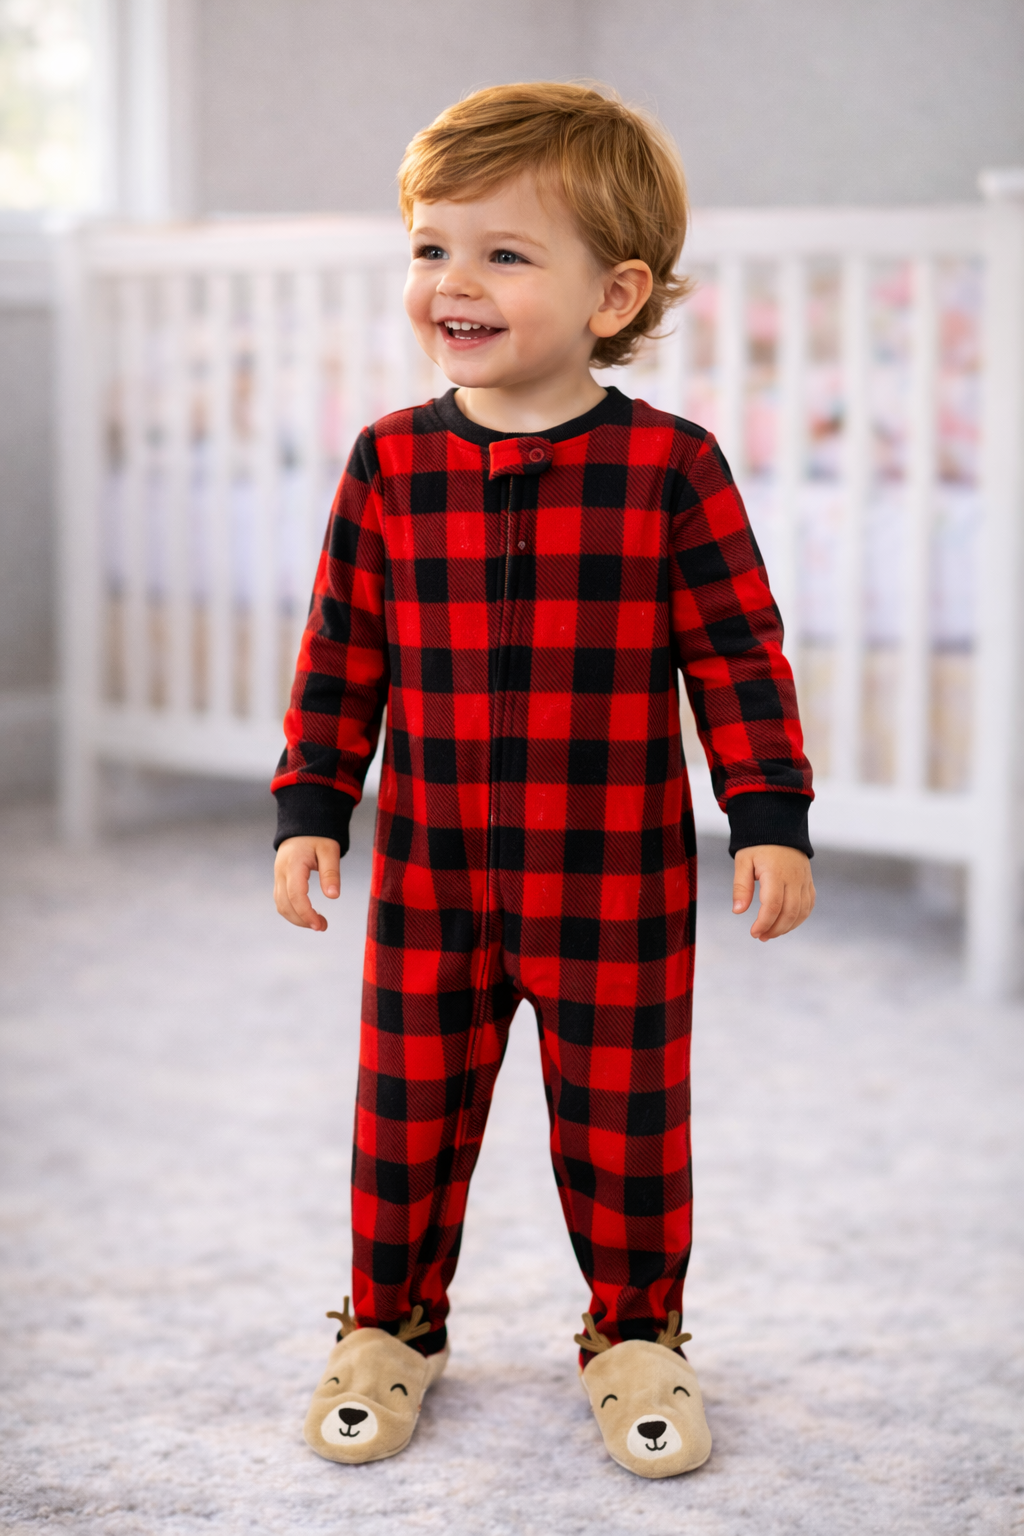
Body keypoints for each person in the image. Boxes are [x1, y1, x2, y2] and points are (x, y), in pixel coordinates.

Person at [272, 82, 814, 1479]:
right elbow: (341, 652)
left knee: (628, 1122)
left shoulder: (668, 468)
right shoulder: (390, 463)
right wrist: (312, 805)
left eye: (503, 254)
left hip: (612, 882)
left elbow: (738, 654)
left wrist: (768, 814)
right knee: (406, 1111)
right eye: (431, 248)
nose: (453, 282)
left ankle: (636, 1335)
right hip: (436, 876)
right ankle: (389, 1325)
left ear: (613, 294)